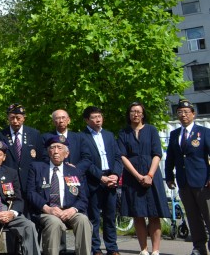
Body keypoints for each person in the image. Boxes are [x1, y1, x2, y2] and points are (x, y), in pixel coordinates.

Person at [25, 135, 91, 255]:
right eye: (52, 148)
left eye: (59, 148)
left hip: (69, 211)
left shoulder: (74, 171)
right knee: (54, 222)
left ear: (66, 153)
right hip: (46, 211)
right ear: (48, 151)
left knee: (83, 220)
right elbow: (30, 193)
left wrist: (73, 210)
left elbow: (83, 198)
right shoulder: (37, 167)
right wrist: (47, 208)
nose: (55, 151)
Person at [117, 102, 168, 255]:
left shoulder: (151, 130)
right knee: (138, 214)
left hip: (152, 175)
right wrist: (138, 176)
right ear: (129, 114)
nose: (136, 114)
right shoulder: (123, 132)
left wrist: (150, 175)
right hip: (133, 177)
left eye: (139, 111)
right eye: (132, 111)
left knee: (154, 214)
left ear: (143, 114)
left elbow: (157, 154)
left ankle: (156, 250)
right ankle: (144, 249)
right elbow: (122, 156)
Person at [165, 99, 210, 255]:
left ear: (193, 114)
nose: (183, 115)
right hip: (184, 182)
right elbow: (170, 157)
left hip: (203, 181)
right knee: (192, 216)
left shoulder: (204, 132)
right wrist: (169, 176)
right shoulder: (174, 134)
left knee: (208, 214)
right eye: (179, 112)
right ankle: (199, 247)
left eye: (186, 112)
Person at [79, 105, 122, 255]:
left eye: (100, 117)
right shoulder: (81, 137)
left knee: (110, 216)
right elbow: (86, 161)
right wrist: (100, 177)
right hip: (94, 180)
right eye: (94, 118)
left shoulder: (109, 135)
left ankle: (112, 247)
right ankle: (95, 248)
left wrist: (115, 175)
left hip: (111, 178)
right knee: (94, 217)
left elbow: (117, 157)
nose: (98, 120)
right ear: (86, 120)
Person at [0, 103, 47, 191]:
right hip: (8, 181)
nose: (15, 121)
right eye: (12, 118)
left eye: (18, 118)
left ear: (24, 118)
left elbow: (41, 158)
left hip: (30, 181)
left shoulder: (34, 134)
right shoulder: (0, 135)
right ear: (8, 118)